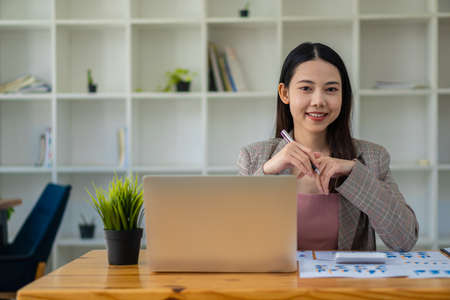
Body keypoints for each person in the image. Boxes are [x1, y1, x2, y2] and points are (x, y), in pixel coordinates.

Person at [237, 42, 418, 251]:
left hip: (347, 284)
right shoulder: (254, 158)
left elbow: (404, 240)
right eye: (306, 88)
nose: (318, 101)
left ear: (343, 96)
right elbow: (234, 240)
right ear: (284, 93)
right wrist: (267, 172)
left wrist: (354, 174)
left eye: (331, 89)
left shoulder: (372, 158)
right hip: (279, 284)